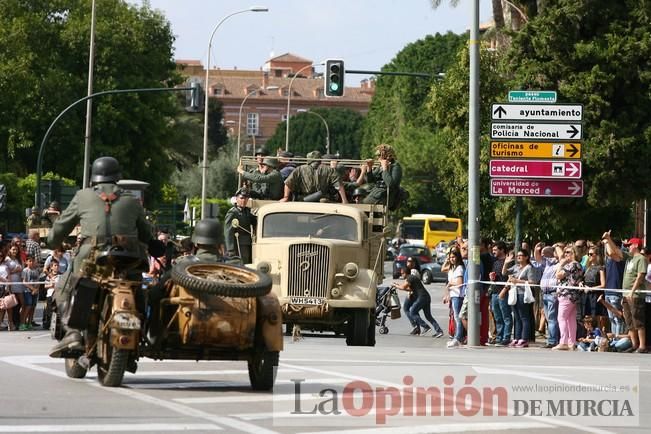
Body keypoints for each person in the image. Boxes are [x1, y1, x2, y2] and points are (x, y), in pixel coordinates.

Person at [47, 156, 155, 358]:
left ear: (93, 177)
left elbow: (61, 227)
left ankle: (73, 334)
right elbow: (146, 234)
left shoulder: (82, 196)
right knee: (137, 287)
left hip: (92, 258)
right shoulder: (132, 201)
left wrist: (53, 241)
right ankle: (141, 328)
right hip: (128, 259)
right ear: (117, 177)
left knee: (63, 287)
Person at [605, 233, 648, 353]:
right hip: (625, 294)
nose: (628, 247)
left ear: (635, 245)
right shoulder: (629, 257)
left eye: (629, 245)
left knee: (638, 320)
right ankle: (634, 345)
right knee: (629, 321)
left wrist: (632, 292)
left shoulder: (641, 258)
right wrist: (609, 239)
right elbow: (615, 253)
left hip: (635, 295)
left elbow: (640, 277)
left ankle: (642, 346)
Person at [393, 263, 444, 338]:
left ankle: (425, 327)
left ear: (405, 272)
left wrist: (395, 285)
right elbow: (410, 289)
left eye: (402, 273)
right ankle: (439, 331)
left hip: (422, 297)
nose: (401, 275)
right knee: (428, 316)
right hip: (426, 297)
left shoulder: (410, 278)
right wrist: (398, 285)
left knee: (413, 312)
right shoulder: (411, 278)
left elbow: (403, 287)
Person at [281, 150, 348, 203]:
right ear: (320, 159)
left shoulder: (300, 169)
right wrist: (344, 200)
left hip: (304, 200)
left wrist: (286, 197)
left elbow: (288, 183)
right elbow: (339, 185)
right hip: (323, 200)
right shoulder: (329, 170)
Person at [503, 249, 537, 348]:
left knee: (524, 317)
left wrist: (517, 281)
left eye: (521, 255)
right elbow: (504, 273)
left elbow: (532, 282)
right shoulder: (516, 267)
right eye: (518, 255)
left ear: (526, 257)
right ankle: (516, 338)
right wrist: (506, 263)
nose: (518, 257)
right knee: (517, 318)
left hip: (523, 294)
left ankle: (524, 338)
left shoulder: (529, 268)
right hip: (515, 293)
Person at [554, 244, 584, 351]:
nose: (565, 254)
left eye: (568, 252)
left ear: (574, 253)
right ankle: (572, 342)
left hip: (566, 294)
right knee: (571, 319)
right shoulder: (579, 265)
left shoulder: (571, 265)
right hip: (574, 295)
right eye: (565, 252)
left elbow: (558, 275)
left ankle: (564, 342)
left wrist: (560, 264)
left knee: (561, 318)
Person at [224, 188, 256, 264]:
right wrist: (230, 249)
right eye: (241, 198)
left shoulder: (247, 211)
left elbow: (255, 221)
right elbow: (228, 232)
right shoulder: (233, 213)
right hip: (238, 244)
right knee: (242, 265)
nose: (244, 201)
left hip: (248, 243)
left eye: (246, 198)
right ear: (236, 198)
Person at [489, 241, 511, 346]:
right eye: (493, 250)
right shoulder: (496, 262)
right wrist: (492, 278)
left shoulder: (509, 262)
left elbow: (510, 278)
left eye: (495, 250)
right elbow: (496, 277)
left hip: (504, 292)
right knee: (497, 317)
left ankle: (506, 337)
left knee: (506, 316)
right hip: (494, 292)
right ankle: (499, 337)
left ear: (502, 250)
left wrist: (505, 289)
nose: (493, 252)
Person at [443, 249, 465, 347]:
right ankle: (458, 337)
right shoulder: (452, 268)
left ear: (457, 257)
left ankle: (458, 338)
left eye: (453, 257)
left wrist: (450, 283)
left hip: (458, 295)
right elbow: (443, 268)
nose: (452, 259)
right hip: (453, 295)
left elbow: (459, 283)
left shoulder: (459, 268)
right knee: (456, 317)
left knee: (457, 317)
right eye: (450, 257)